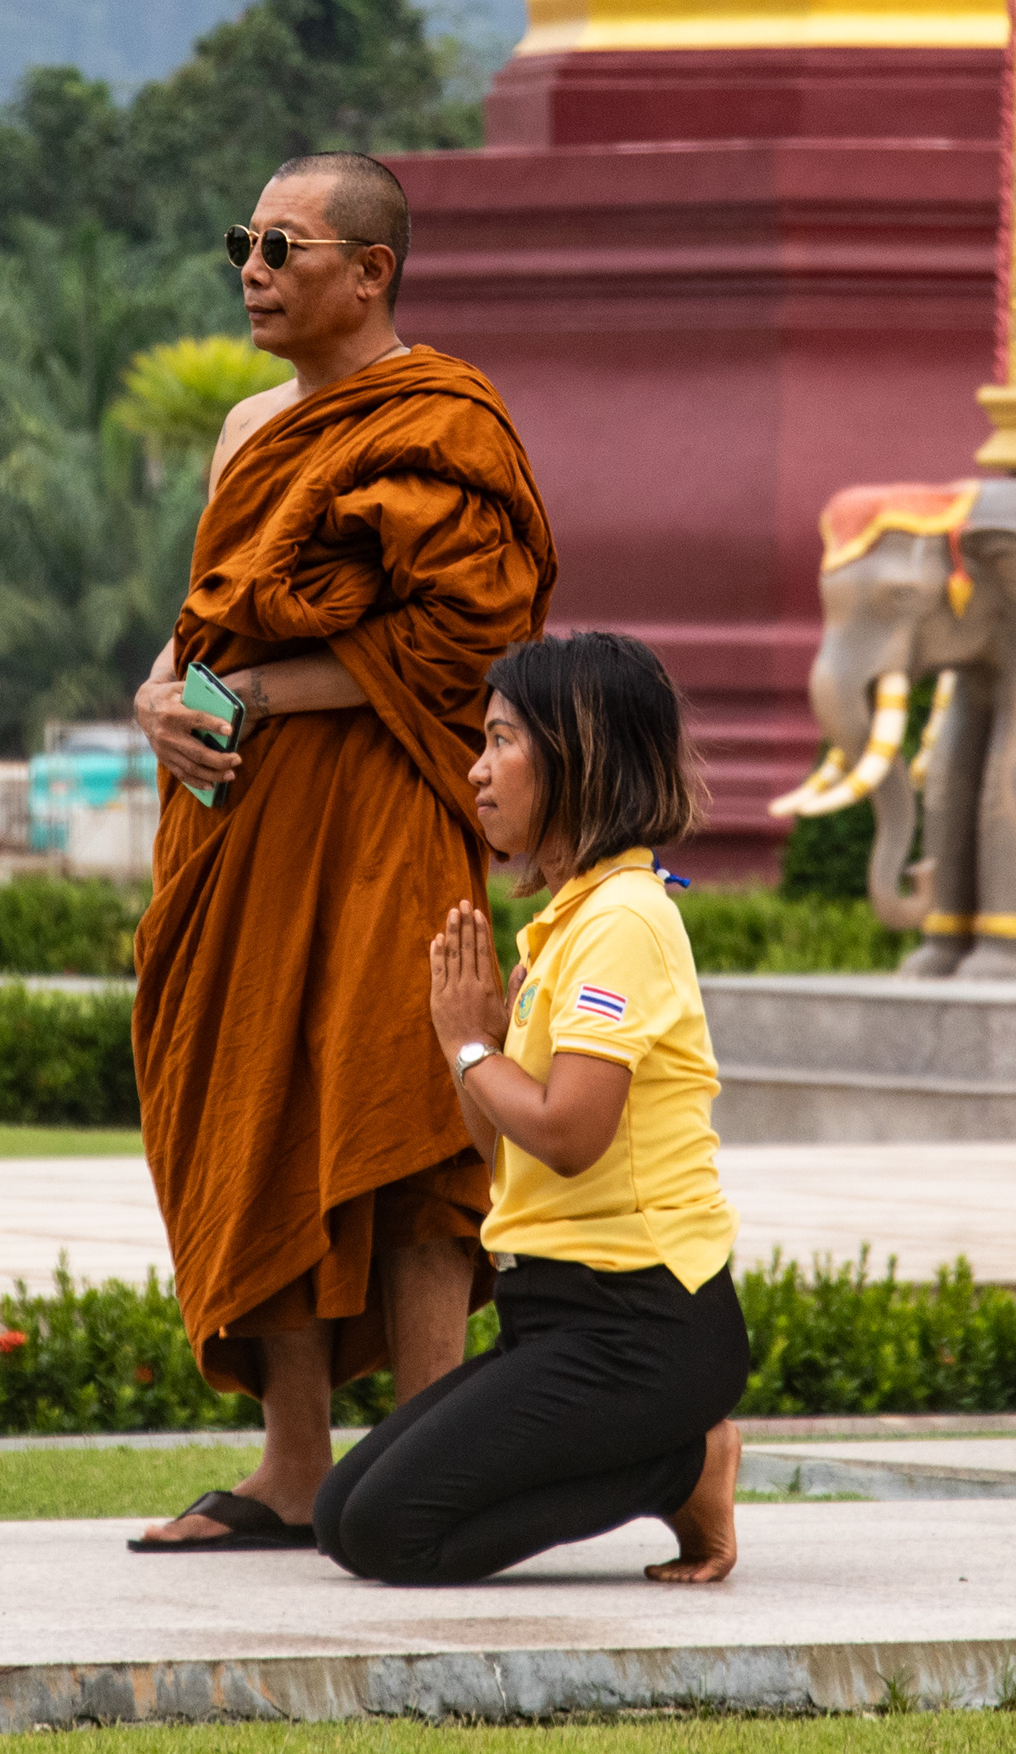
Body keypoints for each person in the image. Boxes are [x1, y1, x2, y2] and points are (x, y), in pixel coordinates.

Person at [126, 152, 557, 1553]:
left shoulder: (445, 421)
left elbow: (466, 646)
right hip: (233, 815)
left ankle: (434, 1452)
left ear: (367, 274)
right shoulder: (250, 425)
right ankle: (295, 1466)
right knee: (250, 1099)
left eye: (282, 247)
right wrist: (160, 689)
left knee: (401, 1111)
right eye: (240, 240)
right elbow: (214, 623)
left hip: (385, 802)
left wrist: (254, 692)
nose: (250, 269)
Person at [311, 630, 749, 1587]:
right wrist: (471, 1045)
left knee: (396, 1535)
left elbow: (571, 1137)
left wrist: (470, 1043)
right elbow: (503, 1141)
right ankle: (666, 1461)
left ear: (579, 757)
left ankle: (685, 1465)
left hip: (645, 1328)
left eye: (503, 740)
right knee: (341, 1516)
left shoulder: (626, 920)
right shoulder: (565, 924)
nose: (477, 770)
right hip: (552, 1314)